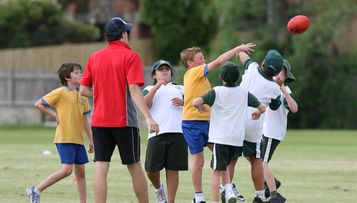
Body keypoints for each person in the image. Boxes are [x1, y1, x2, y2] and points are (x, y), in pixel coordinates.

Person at [79, 17, 159, 203]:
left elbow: (83, 90)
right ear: (123, 35)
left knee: (101, 166)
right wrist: (148, 117)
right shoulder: (130, 56)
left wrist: (101, 95)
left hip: (99, 121)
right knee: (134, 165)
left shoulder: (94, 57)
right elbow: (133, 89)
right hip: (124, 121)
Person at [180, 42, 255, 203]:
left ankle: (227, 189)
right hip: (192, 123)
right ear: (190, 63)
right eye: (201, 58)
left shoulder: (198, 77)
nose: (204, 60)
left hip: (207, 122)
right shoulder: (194, 71)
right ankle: (199, 197)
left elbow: (193, 96)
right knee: (198, 160)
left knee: (221, 154)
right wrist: (238, 49)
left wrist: (194, 103)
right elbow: (219, 61)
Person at [192, 62, 266, 203]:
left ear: (221, 76)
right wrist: (257, 112)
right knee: (226, 166)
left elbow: (195, 102)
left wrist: (201, 105)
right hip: (237, 139)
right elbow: (262, 108)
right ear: (237, 78)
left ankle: (216, 200)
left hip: (220, 138)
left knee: (216, 171)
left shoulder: (217, 91)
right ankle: (229, 190)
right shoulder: (244, 93)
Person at [26, 62, 93, 203]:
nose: (80, 74)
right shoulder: (60, 92)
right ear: (67, 77)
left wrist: (91, 140)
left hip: (78, 140)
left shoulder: (83, 95)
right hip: (64, 138)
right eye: (76, 72)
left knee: (81, 174)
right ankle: (36, 190)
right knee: (67, 170)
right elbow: (38, 104)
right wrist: (55, 115)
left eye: (81, 71)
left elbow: (85, 119)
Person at [233, 49, 284, 203]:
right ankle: (260, 195)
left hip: (235, 122)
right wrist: (277, 85)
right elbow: (275, 106)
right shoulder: (275, 88)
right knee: (256, 160)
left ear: (263, 63)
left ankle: (227, 189)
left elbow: (241, 55)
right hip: (253, 127)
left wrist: (241, 49)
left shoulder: (252, 68)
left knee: (230, 158)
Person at [142, 60, 188, 203]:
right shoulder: (149, 88)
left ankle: (171, 200)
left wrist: (183, 102)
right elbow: (144, 104)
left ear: (171, 73)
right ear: (154, 74)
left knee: (173, 169)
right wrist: (157, 86)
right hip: (157, 133)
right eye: (160, 69)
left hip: (178, 132)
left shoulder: (181, 88)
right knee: (151, 169)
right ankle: (158, 189)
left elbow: (194, 106)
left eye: (167, 69)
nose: (164, 71)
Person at [261, 59, 298, 203]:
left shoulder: (285, 90)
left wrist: (282, 89)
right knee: (256, 159)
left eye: (280, 70)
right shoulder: (268, 85)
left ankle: (275, 195)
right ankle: (271, 182)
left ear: (285, 74)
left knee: (262, 162)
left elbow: (294, 108)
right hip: (264, 130)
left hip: (272, 132)